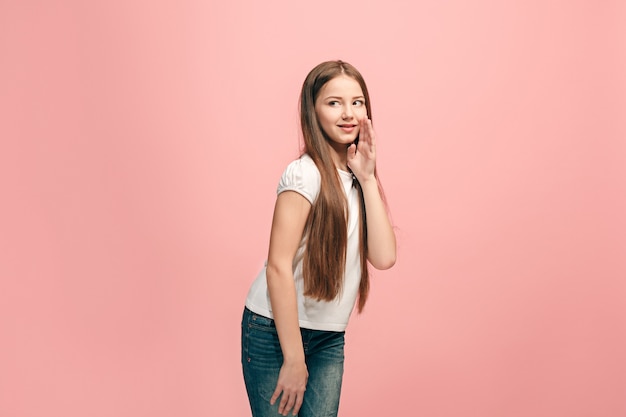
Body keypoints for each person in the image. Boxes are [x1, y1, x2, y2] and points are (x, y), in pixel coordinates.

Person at [241, 60, 396, 417]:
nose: (349, 113)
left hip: (327, 338)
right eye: (334, 102)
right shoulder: (303, 175)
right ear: (313, 110)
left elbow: (384, 257)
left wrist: (369, 179)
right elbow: (278, 267)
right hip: (273, 332)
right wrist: (294, 359)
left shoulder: (357, 177)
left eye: (357, 102)